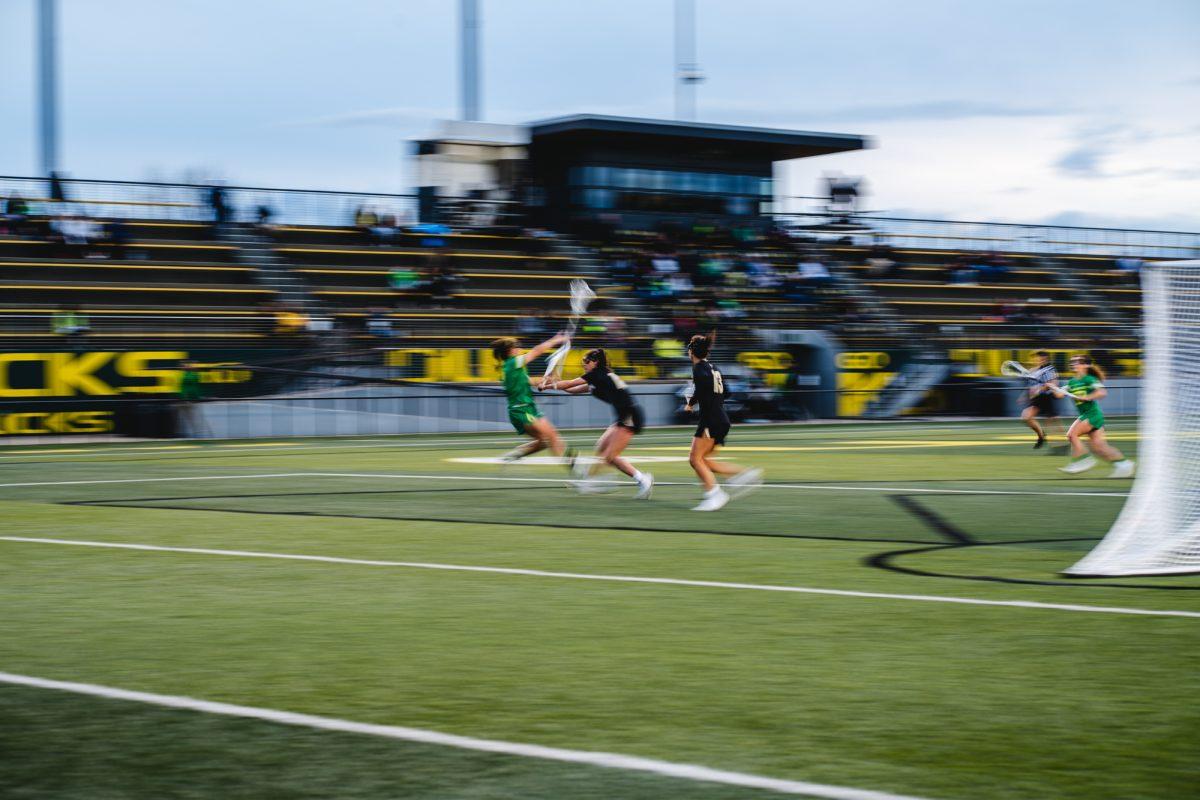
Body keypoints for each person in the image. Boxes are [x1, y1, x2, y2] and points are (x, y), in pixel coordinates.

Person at [542, 348, 654, 499]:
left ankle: (642, 479)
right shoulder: (599, 377)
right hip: (624, 416)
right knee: (601, 447)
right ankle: (589, 481)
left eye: (586, 362)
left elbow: (569, 384)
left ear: (595, 362)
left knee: (610, 457)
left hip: (630, 416)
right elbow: (573, 389)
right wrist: (555, 383)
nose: (584, 365)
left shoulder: (597, 374)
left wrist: (549, 386)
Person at [683, 333, 763, 511]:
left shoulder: (698, 369)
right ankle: (743, 474)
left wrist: (690, 403)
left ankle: (715, 495)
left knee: (695, 459)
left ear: (691, 351)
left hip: (710, 419)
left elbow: (701, 392)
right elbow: (727, 392)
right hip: (721, 418)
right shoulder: (715, 367)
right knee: (704, 460)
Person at [491, 334, 576, 469]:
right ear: (510, 351)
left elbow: (532, 382)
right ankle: (573, 467)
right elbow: (537, 350)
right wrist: (557, 339)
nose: (519, 348)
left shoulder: (515, 368)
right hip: (521, 410)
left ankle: (515, 454)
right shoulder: (513, 363)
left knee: (545, 440)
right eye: (516, 347)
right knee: (550, 437)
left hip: (529, 408)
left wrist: (547, 381)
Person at [1058, 355, 1134, 477]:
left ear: (1085, 365)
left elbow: (1102, 392)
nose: (1073, 363)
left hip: (1092, 414)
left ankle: (1083, 459)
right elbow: (1059, 394)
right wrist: (1051, 387)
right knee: (1099, 448)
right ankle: (1124, 464)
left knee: (1072, 435)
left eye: (1077, 362)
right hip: (1086, 414)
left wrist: (1086, 397)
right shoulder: (1072, 382)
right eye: (1072, 362)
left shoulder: (1089, 379)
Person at [1020, 350, 1065, 450]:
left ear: (1046, 359)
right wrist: (1024, 395)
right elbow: (1030, 385)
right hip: (1037, 399)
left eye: (1043, 359)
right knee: (1026, 417)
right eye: (1038, 358)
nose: (1040, 360)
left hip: (1047, 397)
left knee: (1052, 421)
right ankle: (1041, 435)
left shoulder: (1050, 370)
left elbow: (1053, 383)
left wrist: (1040, 389)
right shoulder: (1032, 370)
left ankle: (1062, 445)